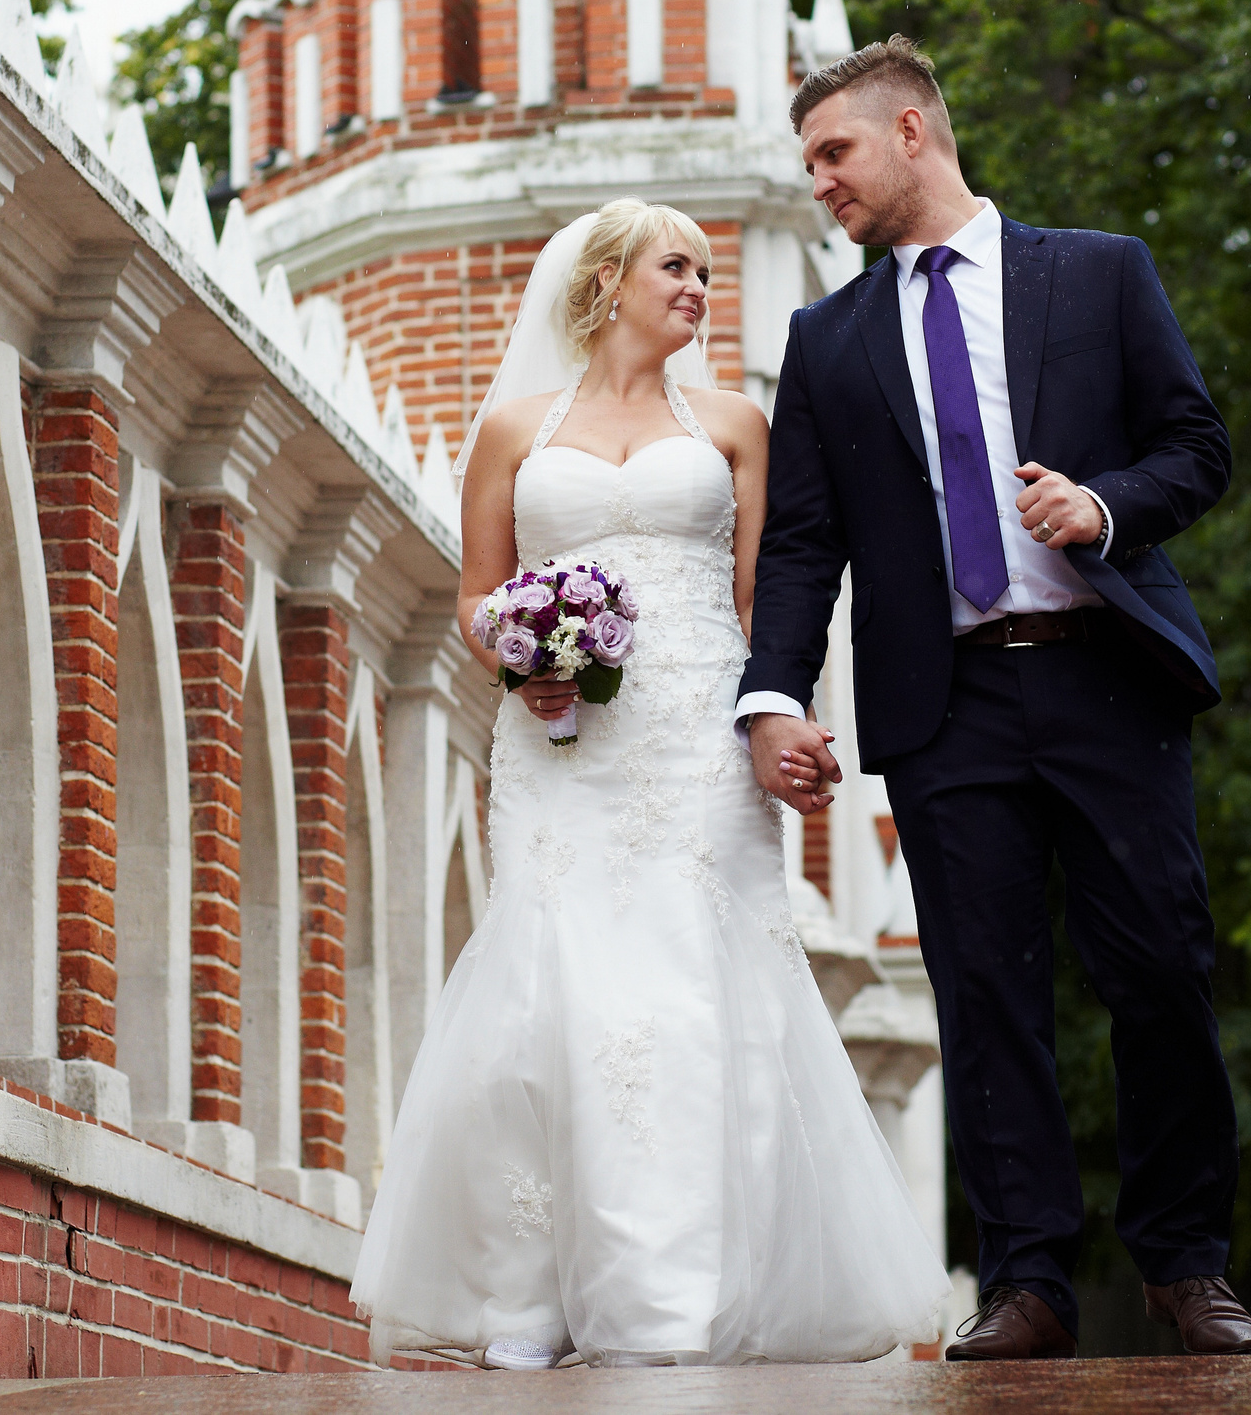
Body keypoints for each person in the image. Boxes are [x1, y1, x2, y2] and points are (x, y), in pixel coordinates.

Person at [351, 199, 948, 1369]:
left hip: (694, 744)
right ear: (606, 281)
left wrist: (782, 721)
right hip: (562, 745)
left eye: (705, 272)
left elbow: (765, 597)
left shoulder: (734, 422)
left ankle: (682, 1296)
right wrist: (520, 657)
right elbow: (479, 590)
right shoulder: (513, 428)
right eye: (675, 268)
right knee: (551, 995)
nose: (696, 288)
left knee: (692, 994)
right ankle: (532, 1299)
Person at [738, 37, 1251, 1360]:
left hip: (1103, 668)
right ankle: (1029, 1274)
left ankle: (1187, 1260)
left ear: (912, 131)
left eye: (834, 153)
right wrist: (773, 695)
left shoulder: (1098, 272)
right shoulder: (828, 339)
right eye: (808, 165)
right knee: (985, 993)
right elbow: (802, 541)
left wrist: (1103, 504)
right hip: (947, 702)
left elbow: (1197, 445)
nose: (822, 185)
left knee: (1158, 969)